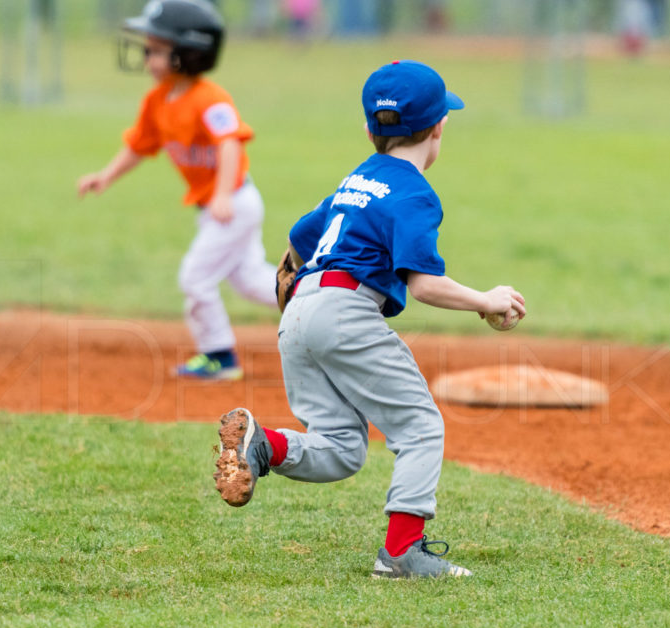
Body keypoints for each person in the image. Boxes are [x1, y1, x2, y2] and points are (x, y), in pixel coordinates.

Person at [212, 60, 527, 579]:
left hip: (300, 313)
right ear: (438, 128)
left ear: (368, 130)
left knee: (341, 450)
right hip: (345, 313)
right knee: (421, 427)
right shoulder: (414, 193)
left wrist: (290, 278)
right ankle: (402, 553)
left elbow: (299, 236)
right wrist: (486, 300)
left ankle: (264, 444)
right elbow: (424, 285)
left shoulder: (355, 179)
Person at [77, 0, 277, 381]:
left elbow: (230, 143)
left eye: (155, 49)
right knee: (252, 282)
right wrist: (106, 175)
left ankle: (219, 356)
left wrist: (221, 194)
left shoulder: (210, 98)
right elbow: (139, 145)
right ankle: (317, 301)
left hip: (233, 202)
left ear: (188, 52)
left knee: (195, 278)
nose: (146, 56)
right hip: (219, 207)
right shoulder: (156, 101)